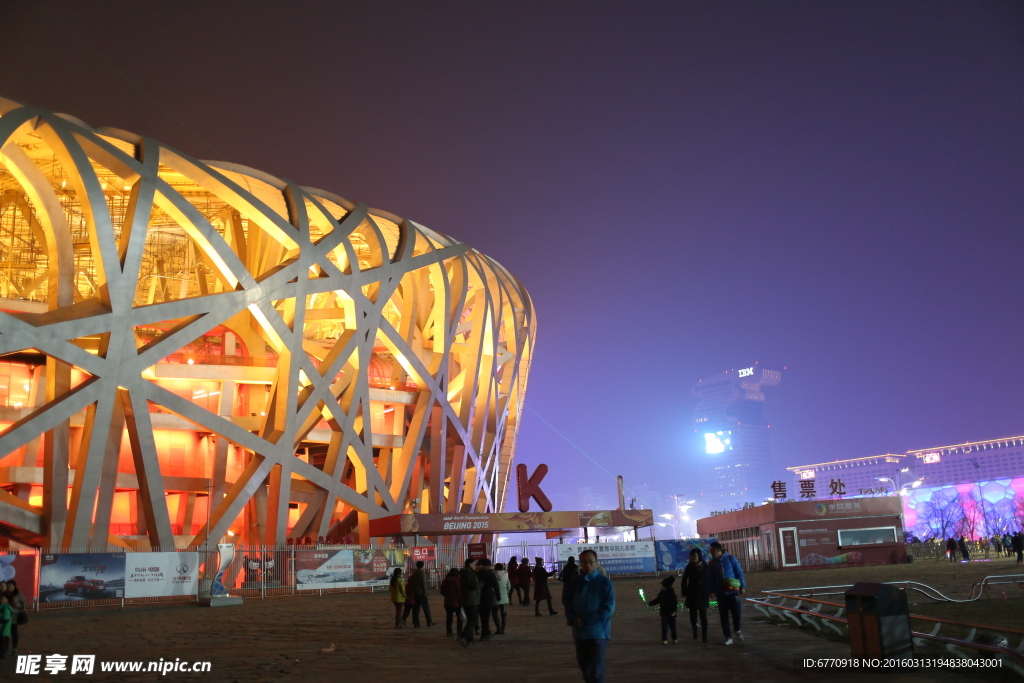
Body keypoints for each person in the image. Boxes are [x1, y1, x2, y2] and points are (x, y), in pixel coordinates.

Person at [565, 549, 615, 683]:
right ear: (580, 563)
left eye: (591, 562)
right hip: (580, 633)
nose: (588, 565)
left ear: (597, 563)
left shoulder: (604, 583)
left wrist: (585, 619)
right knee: (586, 671)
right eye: (584, 562)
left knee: (596, 672)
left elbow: (608, 608)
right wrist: (571, 617)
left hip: (598, 633)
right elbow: (567, 601)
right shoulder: (575, 582)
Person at [708, 541, 745, 645]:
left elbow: (739, 572)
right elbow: (710, 578)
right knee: (723, 615)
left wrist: (742, 586)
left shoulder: (730, 559)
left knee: (736, 613)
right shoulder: (712, 563)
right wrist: (711, 591)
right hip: (720, 593)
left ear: (719, 550)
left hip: (733, 591)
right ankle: (727, 637)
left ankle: (737, 629)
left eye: (712, 551)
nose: (711, 553)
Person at [682, 548, 710, 643]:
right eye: (692, 556)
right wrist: (684, 591)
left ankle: (704, 635)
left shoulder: (705, 566)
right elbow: (684, 579)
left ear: (699, 556)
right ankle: (695, 630)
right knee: (693, 616)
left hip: (703, 594)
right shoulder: (689, 566)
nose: (693, 558)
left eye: (695, 556)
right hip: (692, 594)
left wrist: (710, 590)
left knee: (703, 616)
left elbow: (710, 579)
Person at [646, 575, 678, 645]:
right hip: (664, 613)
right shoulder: (661, 593)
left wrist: (674, 611)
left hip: (671, 613)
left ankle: (674, 638)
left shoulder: (671, 594)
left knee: (673, 627)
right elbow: (657, 600)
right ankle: (664, 639)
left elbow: (674, 603)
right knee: (664, 627)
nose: (661, 587)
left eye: (663, 586)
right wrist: (649, 604)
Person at [457, 558, 481, 647]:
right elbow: (475, 585)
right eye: (474, 564)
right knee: (473, 619)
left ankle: (470, 639)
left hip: (465, 599)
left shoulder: (463, 573)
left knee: (470, 619)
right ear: (470, 564)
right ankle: (463, 636)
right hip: (471, 599)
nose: (475, 566)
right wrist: (482, 583)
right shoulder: (470, 573)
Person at [477, 558, 501, 640]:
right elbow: (496, 585)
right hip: (488, 595)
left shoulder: (478, 572)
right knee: (486, 616)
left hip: (479, 595)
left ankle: (486, 632)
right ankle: (485, 634)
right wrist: (498, 596)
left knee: (482, 616)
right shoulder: (491, 573)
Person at [407, 560, 435, 627]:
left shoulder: (414, 573)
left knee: (416, 609)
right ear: (423, 565)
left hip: (415, 593)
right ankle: (429, 622)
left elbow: (409, 580)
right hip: (421, 593)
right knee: (426, 608)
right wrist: (425, 592)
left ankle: (416, 624)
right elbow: (424, 583)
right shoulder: (422, 573)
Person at [439, 568, 463, 637]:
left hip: (447, 602)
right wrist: (461, 601)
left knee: (449, 618)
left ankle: (449, 632)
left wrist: (447, 596)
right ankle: (459, 631)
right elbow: (458, 592)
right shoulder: (457, 581)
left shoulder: (445, 580)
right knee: (459, 617)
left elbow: (442, 591)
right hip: (457, 602)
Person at [6, 581, 25, 656]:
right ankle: (5, 649)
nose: (9, 587)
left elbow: (23, 603)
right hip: (5, 616)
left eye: (11, 585)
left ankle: (14, 649)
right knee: (5, 634)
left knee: (14, 633)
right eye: (8, 585)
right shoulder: (5, 594)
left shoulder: (18, 594)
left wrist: (17, 605)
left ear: (14, 586)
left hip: (14, 616)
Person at [494, 562, 510, 635]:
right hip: (504, 596)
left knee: (495, 614)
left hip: (495, 596)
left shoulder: (494, 575)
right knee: (504, 613)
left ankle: (498, 629)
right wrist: (505, 592)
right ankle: (503, 630)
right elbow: (509, 587)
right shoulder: (506, 575)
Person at [0, 593, 10, 659]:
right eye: (1, 599)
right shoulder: (4, 607)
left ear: (7, 600)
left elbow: (5, 619)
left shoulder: (6, 608)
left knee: (2, 643)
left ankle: (3, 654)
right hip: (4, 629)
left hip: (4, 629)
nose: (1, 600)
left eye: (3, 599)